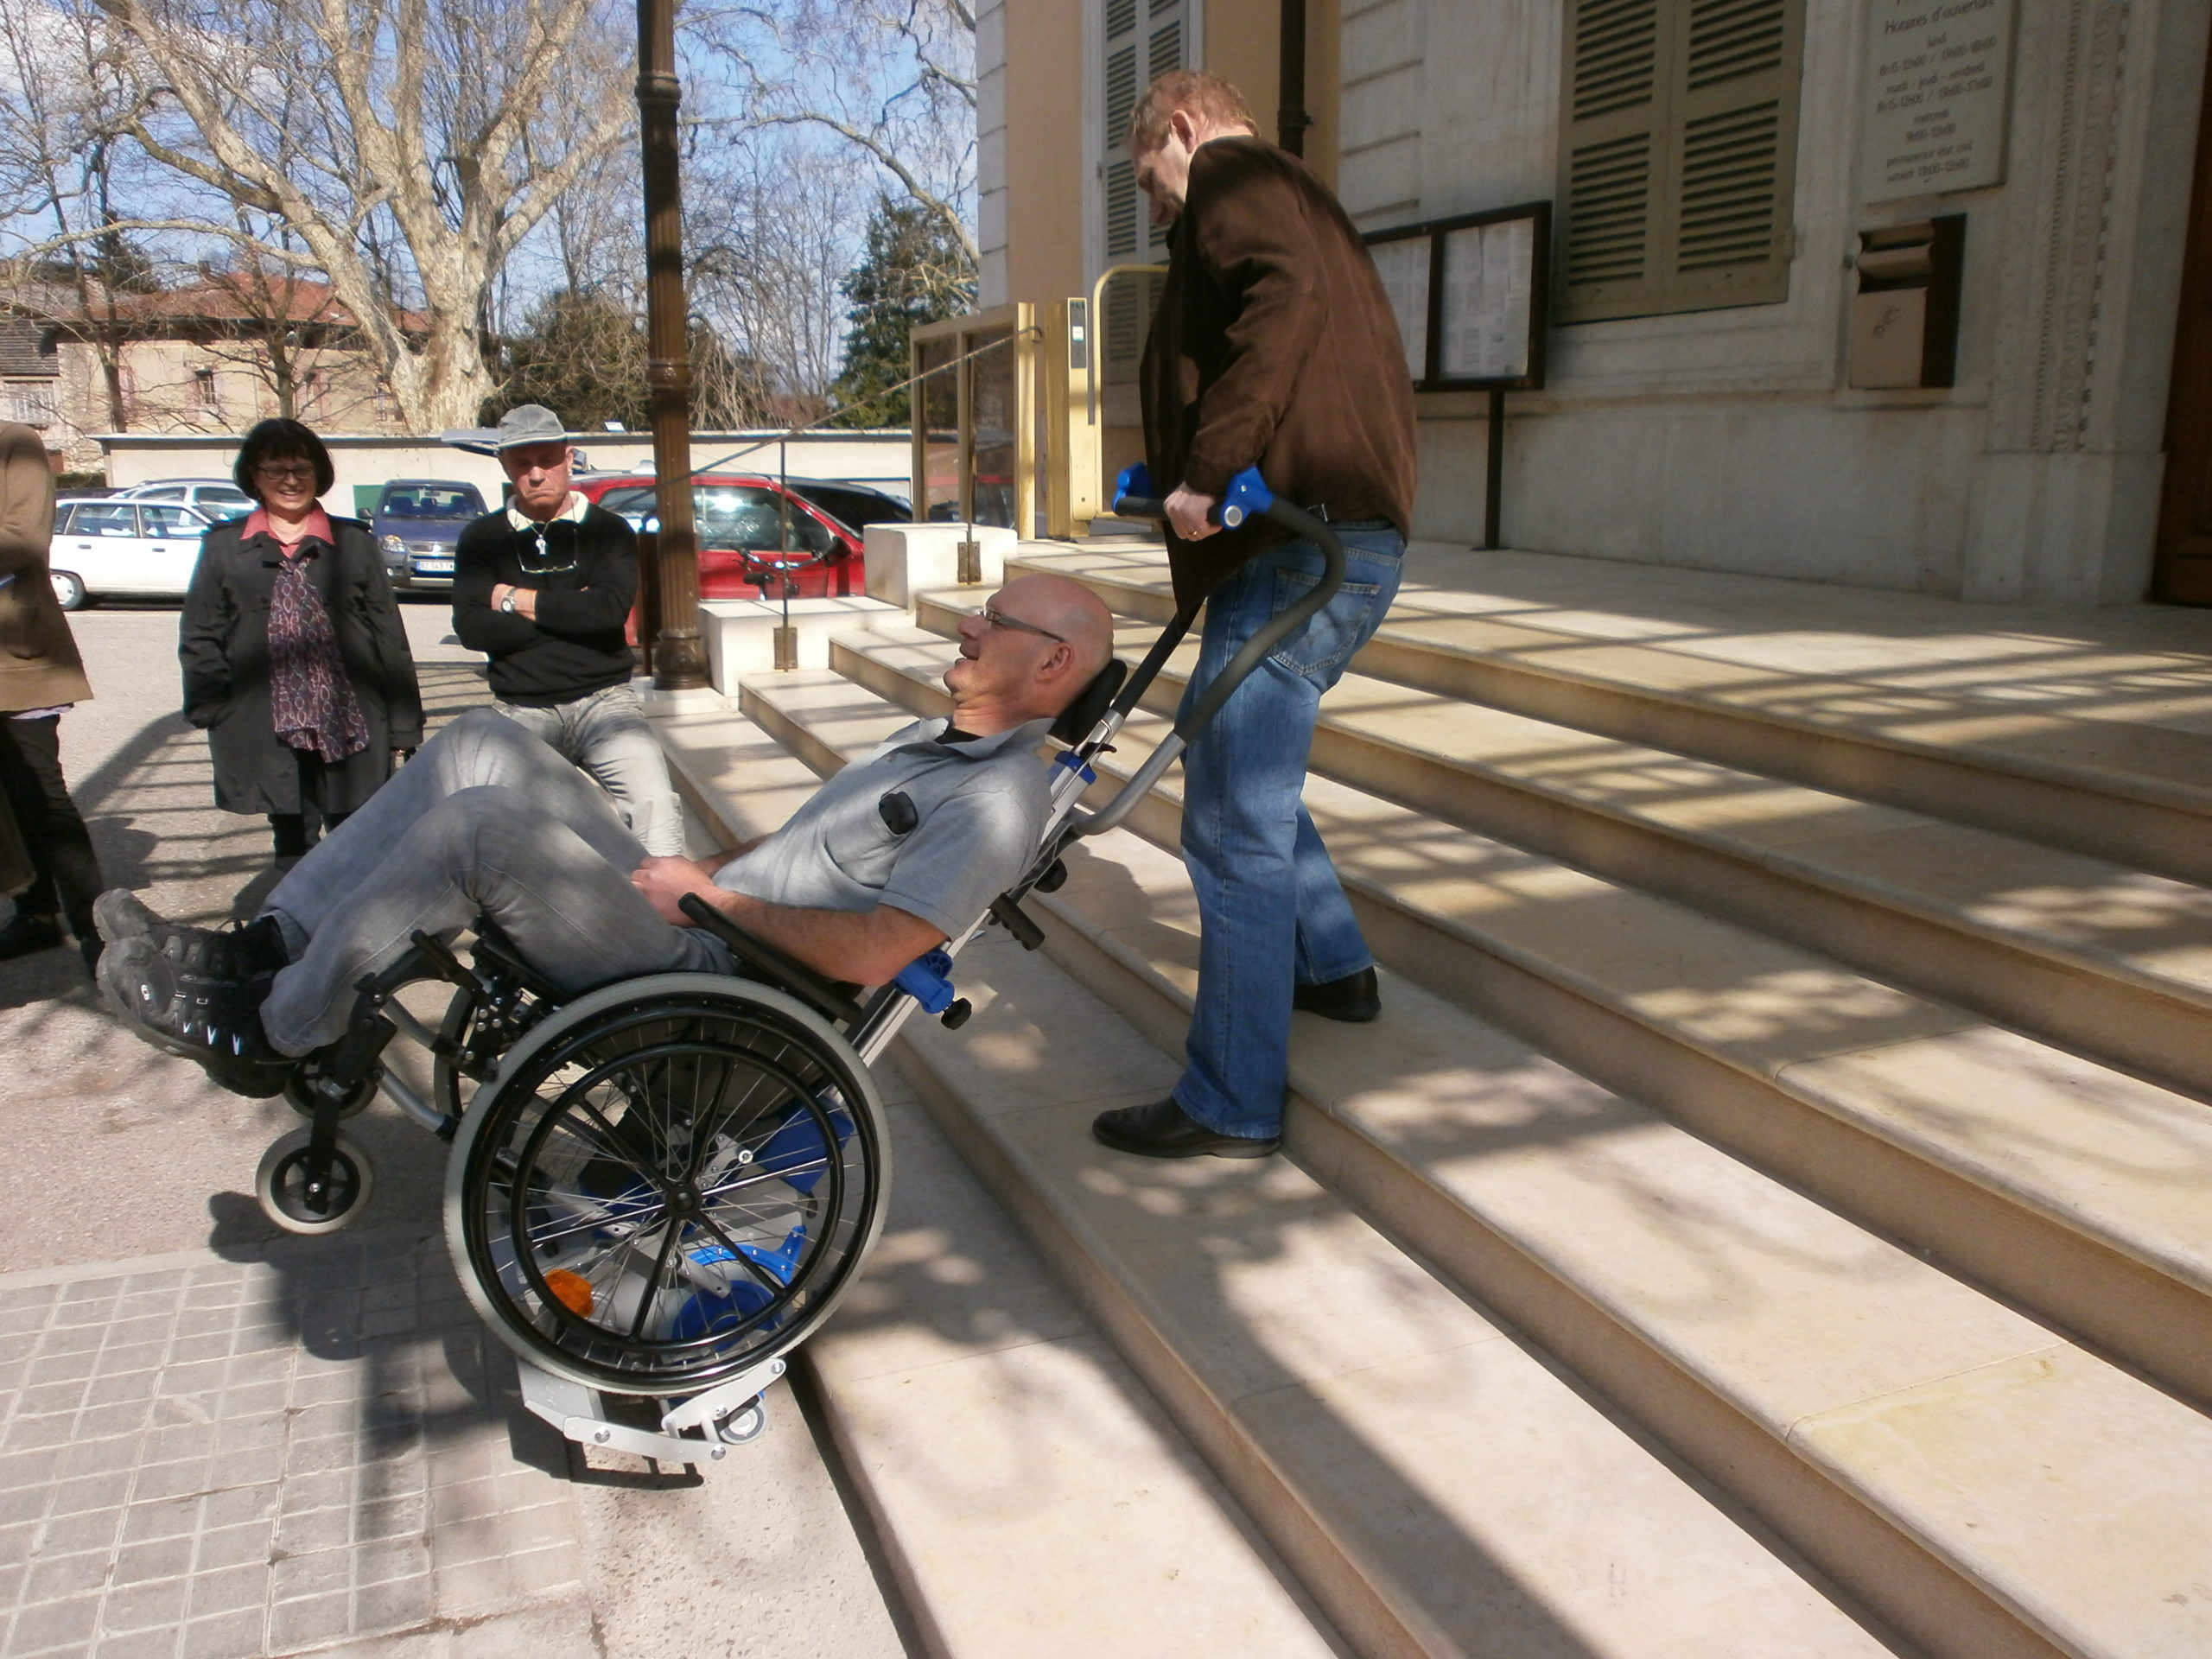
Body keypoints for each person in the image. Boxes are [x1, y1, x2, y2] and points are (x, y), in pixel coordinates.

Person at [97, 574, 1116, 1096]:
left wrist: (704, 899)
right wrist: (696, 870)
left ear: (1052, 662)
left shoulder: (998, 800)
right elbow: (806, 855)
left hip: (728, 979)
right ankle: (266, 951)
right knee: (484, 743)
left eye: (993, 621)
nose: (967, 628)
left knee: (482, 831)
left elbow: (879, 949)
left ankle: (276, 1033)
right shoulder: (925, 742)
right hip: (707, 915)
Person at [1090, 71, 1419, 1162]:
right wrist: (1183, 465)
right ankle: (1333, 968)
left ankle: (1230, 1098)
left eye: (1152, 181)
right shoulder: (1295, 192)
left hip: (1293, 543)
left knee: (1228, 818)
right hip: (1331, 539)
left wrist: (1213, 464)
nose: (1157, 210)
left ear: (1181, 129)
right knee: (1251, 776)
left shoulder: (1233, 173)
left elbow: (1279, 301)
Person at [181, 418, 423, 868]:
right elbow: (201, 633)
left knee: (360, 838)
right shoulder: (224, 547)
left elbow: (389, 635)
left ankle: (354, 929)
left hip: (352, 720)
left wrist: (404, 722)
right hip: (264, 719)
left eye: (302, 469)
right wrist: (213, 708)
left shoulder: (353, 543)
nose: (290, 481)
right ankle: (297, 927)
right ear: (254, 475)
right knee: (292, 840)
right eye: (276, 469)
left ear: (319, 475)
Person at [452, 404, 684, 857]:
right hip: (521, 706)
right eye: (522, 463)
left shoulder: (609, 531)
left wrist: (514, 600)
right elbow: (472, 629)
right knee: (494, 815)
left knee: (653, 801)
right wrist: (572, 611)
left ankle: (672, 908)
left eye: (547, 460)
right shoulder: (481, 539)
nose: (536, 474)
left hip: (604, 700)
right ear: (505, 466)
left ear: (569, 457)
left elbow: (607, 613)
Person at [0, 422, 105, 973]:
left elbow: (22, 539)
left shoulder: (13, 441)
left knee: (40, 795)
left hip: (15, 655)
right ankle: (35, 914)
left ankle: (97, 932)